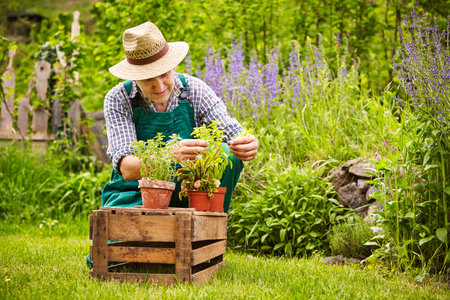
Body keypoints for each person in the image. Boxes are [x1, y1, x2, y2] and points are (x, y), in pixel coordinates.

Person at [101, 21, 258, 213]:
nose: (159, 86)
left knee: (229, 155)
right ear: (134, 76)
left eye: (164, 74)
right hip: (133, 192)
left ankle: (209, 229)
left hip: (186, 192)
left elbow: (233, 133)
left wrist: (247, 143)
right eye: (149, 78)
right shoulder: (119, 98)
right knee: (131, 236)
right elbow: (127, 168)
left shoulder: (194, 89)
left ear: (172, 66)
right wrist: (169, 156)